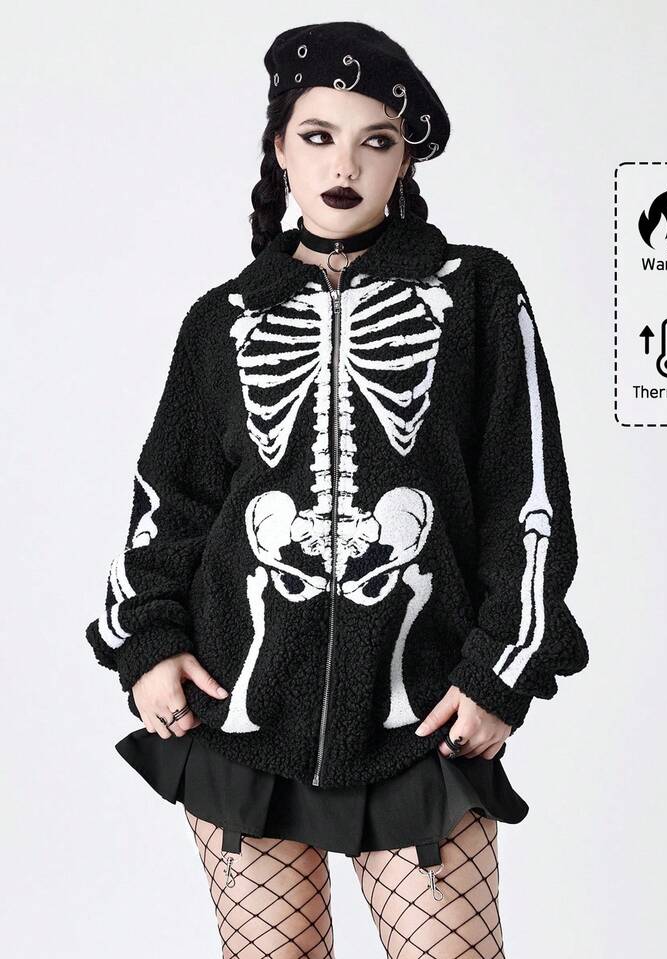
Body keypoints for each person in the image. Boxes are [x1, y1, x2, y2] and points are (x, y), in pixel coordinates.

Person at [84, 20, 588, 959]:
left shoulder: (476, 291)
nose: (345, 164)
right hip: (242, 715)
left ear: (406, 159)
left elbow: (530, 496)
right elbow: (170, 499)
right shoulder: (222, 318)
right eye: (318, 135)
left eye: (376, 140)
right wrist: (147, 644)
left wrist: (499, 672)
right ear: (280, 147)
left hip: (419, 716)